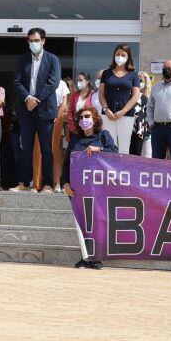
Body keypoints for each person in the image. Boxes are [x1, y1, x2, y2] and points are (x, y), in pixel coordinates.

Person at [61, 106, 118, 269]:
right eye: (81, 117)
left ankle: (97, 257)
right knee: (82, 223)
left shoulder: (103, 136)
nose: (84, 120)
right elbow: (66, 164)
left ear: (94, 119)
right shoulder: (75, 140)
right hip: (78, 190)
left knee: (97, 222)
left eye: (87, 116)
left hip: (99, 189)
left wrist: (99, 149)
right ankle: (86, 257)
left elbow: (115, 154)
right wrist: (64, 183)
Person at [11, 28, 61, 193]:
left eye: (36, 40)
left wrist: (36, 99)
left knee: (46, 149)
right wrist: (27, 98)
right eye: (30, 41)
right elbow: (17, 82)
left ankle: (47, 184)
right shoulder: (22, 60)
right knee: (26, 147)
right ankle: (24, 183)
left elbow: (52, 83)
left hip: (45, 111)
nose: (33, 43)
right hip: (26, 110)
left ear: (43, 41)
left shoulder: (53, 59)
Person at [98, 44, 141, 154]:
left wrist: (123, 111)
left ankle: (122, 170)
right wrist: (106, 109)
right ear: (114, 56)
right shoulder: (106, 73)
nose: (120, 57)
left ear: (128, 57)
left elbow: (135, 96)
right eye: (117, 54)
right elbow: (101, 94)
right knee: (108, 146)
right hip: (108, 114)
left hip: (126, 115)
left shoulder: (133, 74)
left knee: (124, 148)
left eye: (123, 55)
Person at [148, 59, 171, 159]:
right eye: (164, 68)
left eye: (169, 68)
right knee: (157, 161)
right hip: (157, 129)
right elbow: (150, 106)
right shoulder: (156, 87)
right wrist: (151, 122)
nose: (166, 70)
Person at [130, 71, 152, 157]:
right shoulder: (131, 95)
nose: (138, 83)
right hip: (135, 131)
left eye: (140, 80)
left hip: (147, 133)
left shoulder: (148, 97)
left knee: (147, 156)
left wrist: (146, 130)